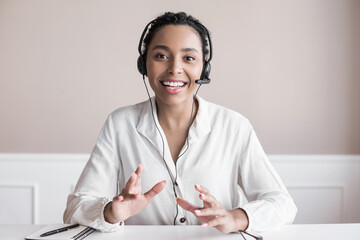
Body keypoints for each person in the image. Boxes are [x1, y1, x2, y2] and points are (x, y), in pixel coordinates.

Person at [63, 12, 297, 234]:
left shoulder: (234, 126)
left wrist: (235, 218)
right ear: (144, 64)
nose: (175, 68)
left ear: (204, 68)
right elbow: (75, 207)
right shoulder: (119, 124)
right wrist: (111, 212)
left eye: (189, 58)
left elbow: (282, 204)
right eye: (161, 56)